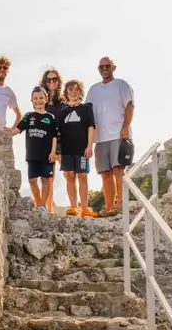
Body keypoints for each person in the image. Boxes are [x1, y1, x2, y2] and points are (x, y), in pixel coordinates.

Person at [85, 56, 134, 217]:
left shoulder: (122, 85)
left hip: (118, 133)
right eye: (101, 67)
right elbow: (87, 113)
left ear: (113, 67)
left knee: (118, 168)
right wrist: (89, 141)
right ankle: (109, 207)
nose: (104, 69)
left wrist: (125, 127)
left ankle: (121, 203)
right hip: (100, 137)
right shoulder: (93, 90)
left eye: (107, 66)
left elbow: (129, 105)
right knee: (105, 173)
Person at [5, 87, 58, 213]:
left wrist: (53, 152)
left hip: (47, 154)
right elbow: (17, 130)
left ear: (46, 99)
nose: (38, 101)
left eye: (41, 98)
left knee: (46, 180)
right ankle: (39, 203)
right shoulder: (29, 116)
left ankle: (42, 206)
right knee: (32, 180)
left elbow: (54, 136)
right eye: (35, 98)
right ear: (31, 100)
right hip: (32, 154)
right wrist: (8, 133)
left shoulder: (51, 117)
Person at [57, 79, 97, 218]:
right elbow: (58, 133)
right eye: (70, 90)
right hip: (66, 150)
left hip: (82, 150)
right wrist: (58, 152)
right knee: (69, 176)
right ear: (66, 92)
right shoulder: (62, 111)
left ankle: (85, 207)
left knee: (82, 176)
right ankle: (73, 206)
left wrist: (89, 146)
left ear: (80, 92)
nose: (73, 92)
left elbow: (91, 127)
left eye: (76, 89)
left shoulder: (86, 108)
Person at [40, 68, 65, 213]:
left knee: (70, 174)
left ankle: (76, 207)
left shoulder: (64, 101)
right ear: (45, 82)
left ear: (59, 81)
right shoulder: (41, 101)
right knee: (48, 177)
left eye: (54, 79)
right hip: (46, 142)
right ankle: (48, 209)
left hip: (63, 142)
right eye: (48, 80)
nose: (51, 82)